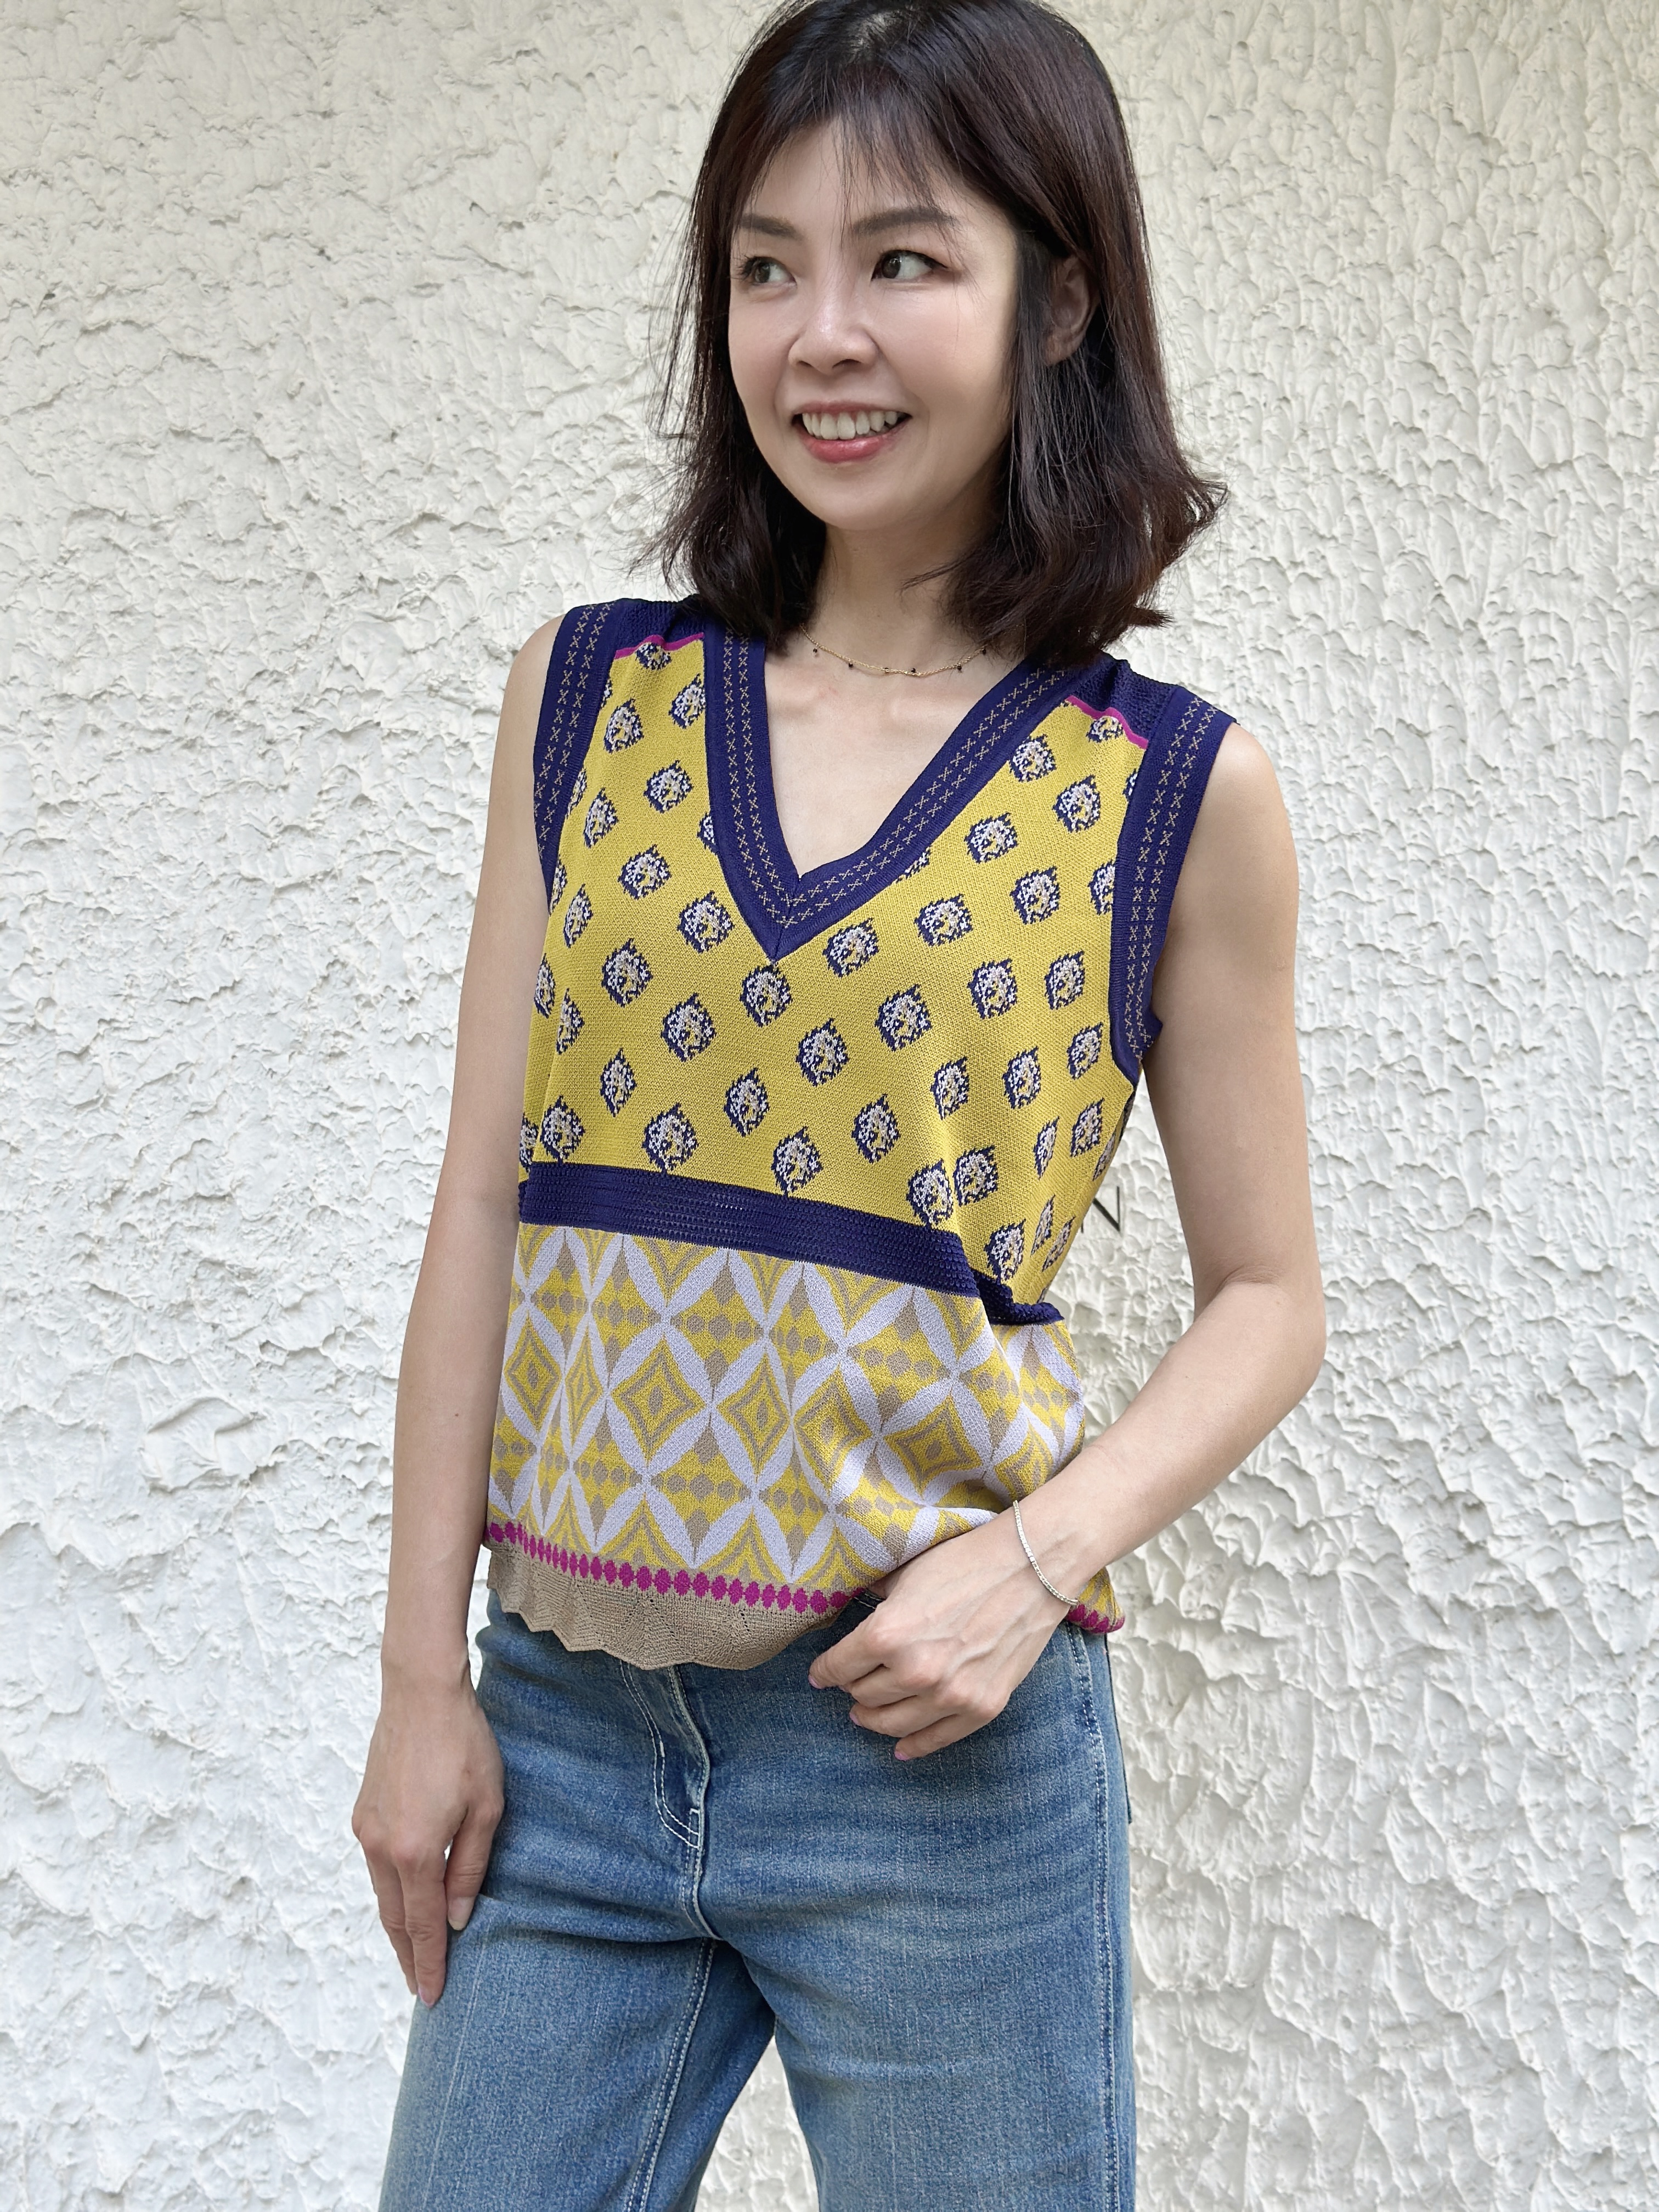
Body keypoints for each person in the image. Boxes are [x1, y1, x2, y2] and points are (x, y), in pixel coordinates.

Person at [353, 1, 1324, 2204]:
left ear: (1059, 300)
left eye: (903, 260)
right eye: (765, 267)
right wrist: (422, 1686)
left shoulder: (1172, 793)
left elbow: (1272, 1300)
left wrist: (1036, 1561)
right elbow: (485, 1206)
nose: (823, 337)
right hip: (566, 1740)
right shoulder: (588, 700)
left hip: (932, 1767)